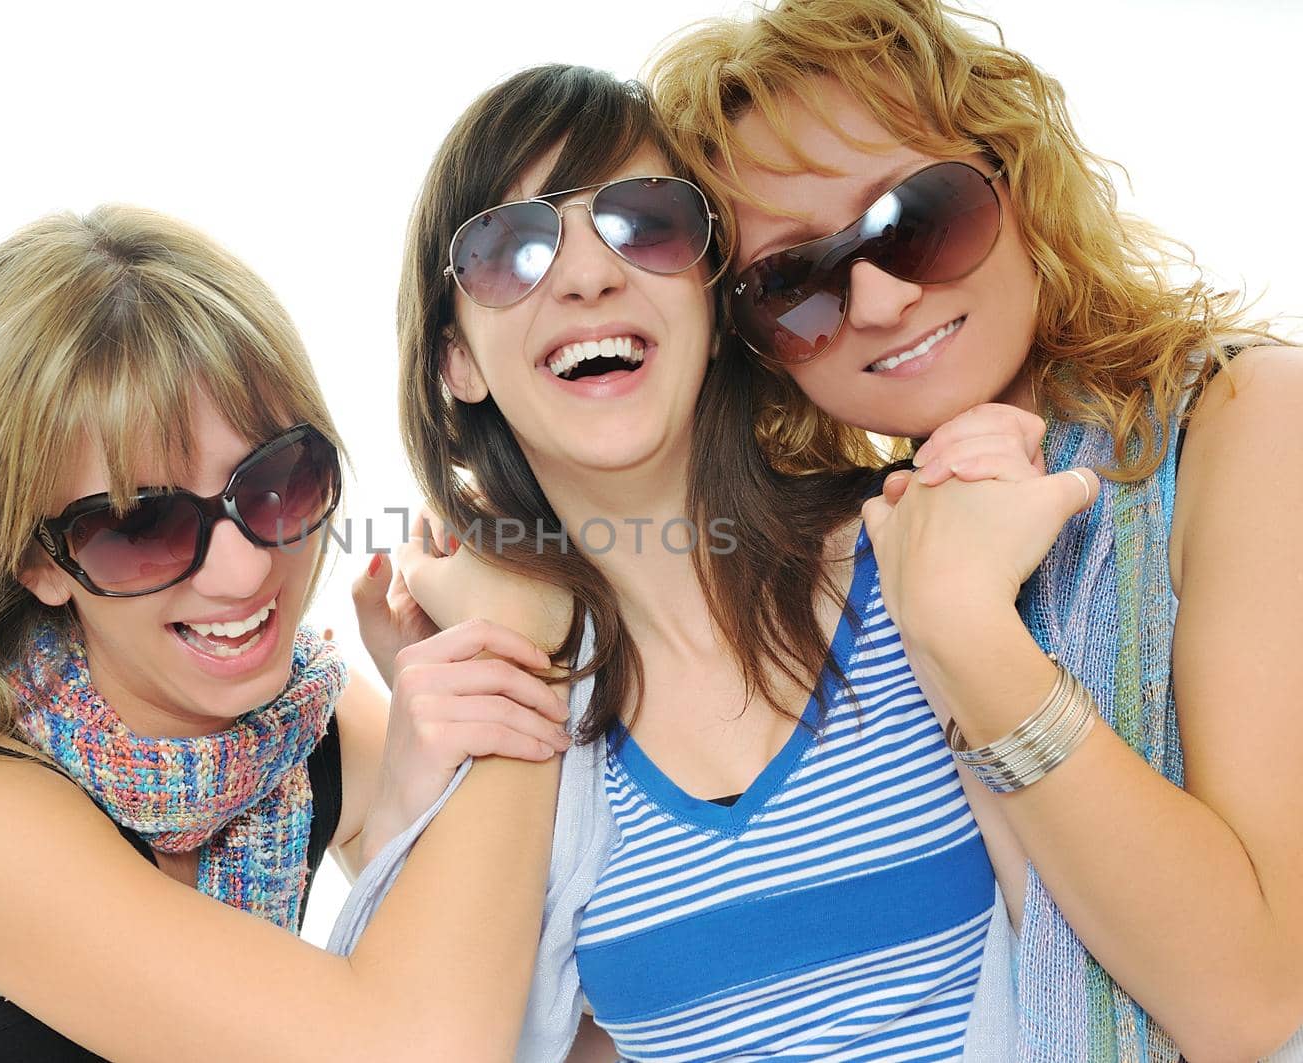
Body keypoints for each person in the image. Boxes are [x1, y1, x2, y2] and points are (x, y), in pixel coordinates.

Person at [0, 205, 571, 1063]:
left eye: (277, 482)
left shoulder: (301, 715)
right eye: (141, 524)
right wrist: (528, 627)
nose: (243, 571)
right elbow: (418, 1046)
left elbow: (558, 966)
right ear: (34, 560)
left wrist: (410, 810)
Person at [342, 63, 1064, 1061]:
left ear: (716, 299)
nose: (589, 275)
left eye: (645, 222)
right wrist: (404, 811)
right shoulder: (513, 706)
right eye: (511, 247)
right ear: (454, 361)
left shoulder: (924, 553)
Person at [642, 1, 1303, 1058]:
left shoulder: (1245, 418)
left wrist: (963, 628)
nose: (876, 298)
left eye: (915, 218)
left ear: (1018, 175)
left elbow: (1249, 996)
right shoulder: (886, 541)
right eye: (792, 284)